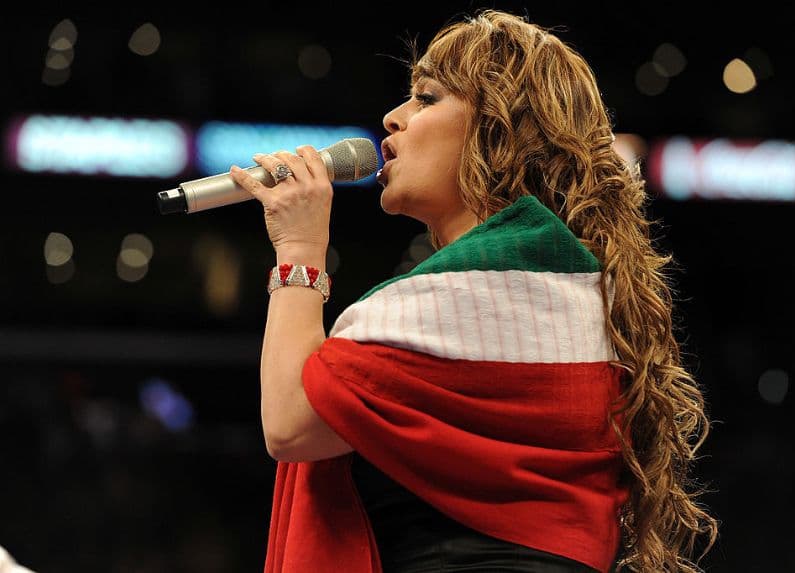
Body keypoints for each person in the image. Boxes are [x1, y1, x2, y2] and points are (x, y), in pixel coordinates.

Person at [229, 9, 718, 573]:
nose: (392, 118)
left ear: (498, 129)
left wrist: (299, 253)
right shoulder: (566, 288)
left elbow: (292, 422)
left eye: (427, 98)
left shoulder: (492, 285)